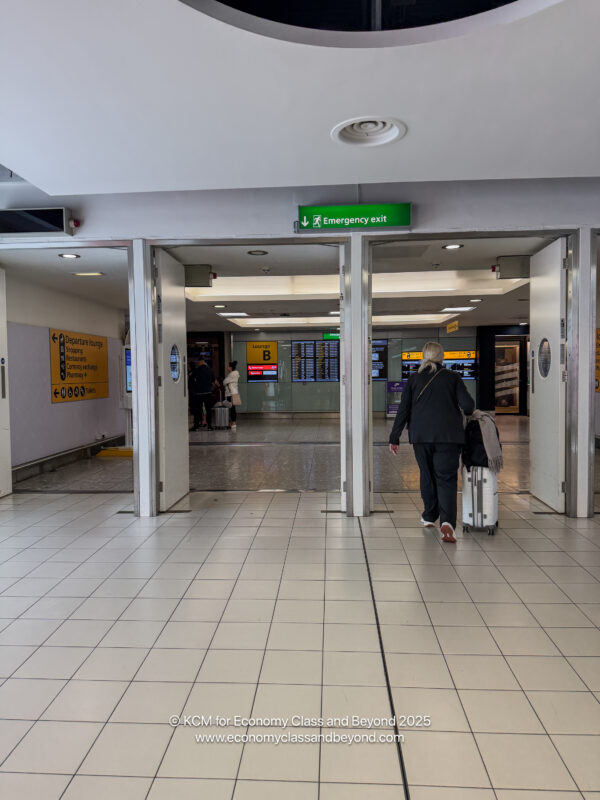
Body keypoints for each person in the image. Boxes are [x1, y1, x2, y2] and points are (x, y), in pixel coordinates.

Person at [389, 341, 475, 543]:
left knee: (427, 475)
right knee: (446, 478)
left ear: (424, 357)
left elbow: (403, 410)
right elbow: (468, 405)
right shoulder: (453, 377)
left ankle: (429, 516)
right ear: (441, 357)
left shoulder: (414, 379)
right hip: (449, 437)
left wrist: (395, 437)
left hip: (421, 437)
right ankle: (447, 523)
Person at [188, 358, 216, 431]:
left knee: (198, 410)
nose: (197, 363)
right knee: (208, 409)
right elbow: (214, 381)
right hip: (208, 393)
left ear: (200, 362)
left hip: (198, 393)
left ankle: (196, 426)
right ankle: (209, 426)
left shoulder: (196, 370)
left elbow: (191, 379)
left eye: (198, 362)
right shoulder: (210, 370)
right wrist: (210, 388)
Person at [222, 360, 240, 430]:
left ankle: (233, 422)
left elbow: (224, 382)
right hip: (233, 393)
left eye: (228, 367)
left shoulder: (232, 374)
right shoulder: (234, 374)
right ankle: (233, 422)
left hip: (231, 393)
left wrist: (225, 381)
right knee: (232, 408)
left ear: (231, 367)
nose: (227, 368)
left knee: (232, 408)